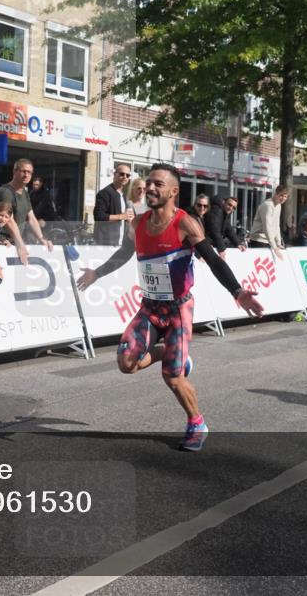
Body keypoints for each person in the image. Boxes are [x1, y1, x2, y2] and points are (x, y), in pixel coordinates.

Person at [76, 163, 264, 452]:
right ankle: (169, 351)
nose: (150, 188)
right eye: (149, 182)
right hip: (149, 307)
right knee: (127, 364)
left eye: (158, 184)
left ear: (174, 191)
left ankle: (196, 422)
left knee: (172, 376)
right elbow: (125, 253)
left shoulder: (186, 223)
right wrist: (96, 273)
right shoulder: (137, 223)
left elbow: (213, 261)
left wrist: (237, 292)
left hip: (178, 309)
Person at [0, 158, 53, 257]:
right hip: (3, 243)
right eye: (23, 171)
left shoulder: (25, 193)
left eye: (29, 172)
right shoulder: (6, 192)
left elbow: (32, 218)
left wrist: (42, 239)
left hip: (15, 242)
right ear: (15, 171)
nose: (26, 175)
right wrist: (20, 244)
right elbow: (9, 220)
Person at [94, 163, 134, 246]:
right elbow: (98, 216)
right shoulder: (105, 193)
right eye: (122, 174)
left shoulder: (124, 195)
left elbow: (126, 217)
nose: (125, 177)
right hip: (107, 242)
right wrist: (121, 216)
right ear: (115, 175)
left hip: (121, 241)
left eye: (127, 175)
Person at [248, 185, 289, 259]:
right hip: (258, 240)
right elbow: (267, 227)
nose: (283, 198)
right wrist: (275, 247)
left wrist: (278, 243)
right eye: (281, 195)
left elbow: (276, 225)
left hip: (268, 241)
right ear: (276, 194)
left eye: (285, 196)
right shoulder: (268, 205)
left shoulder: (278, 205)